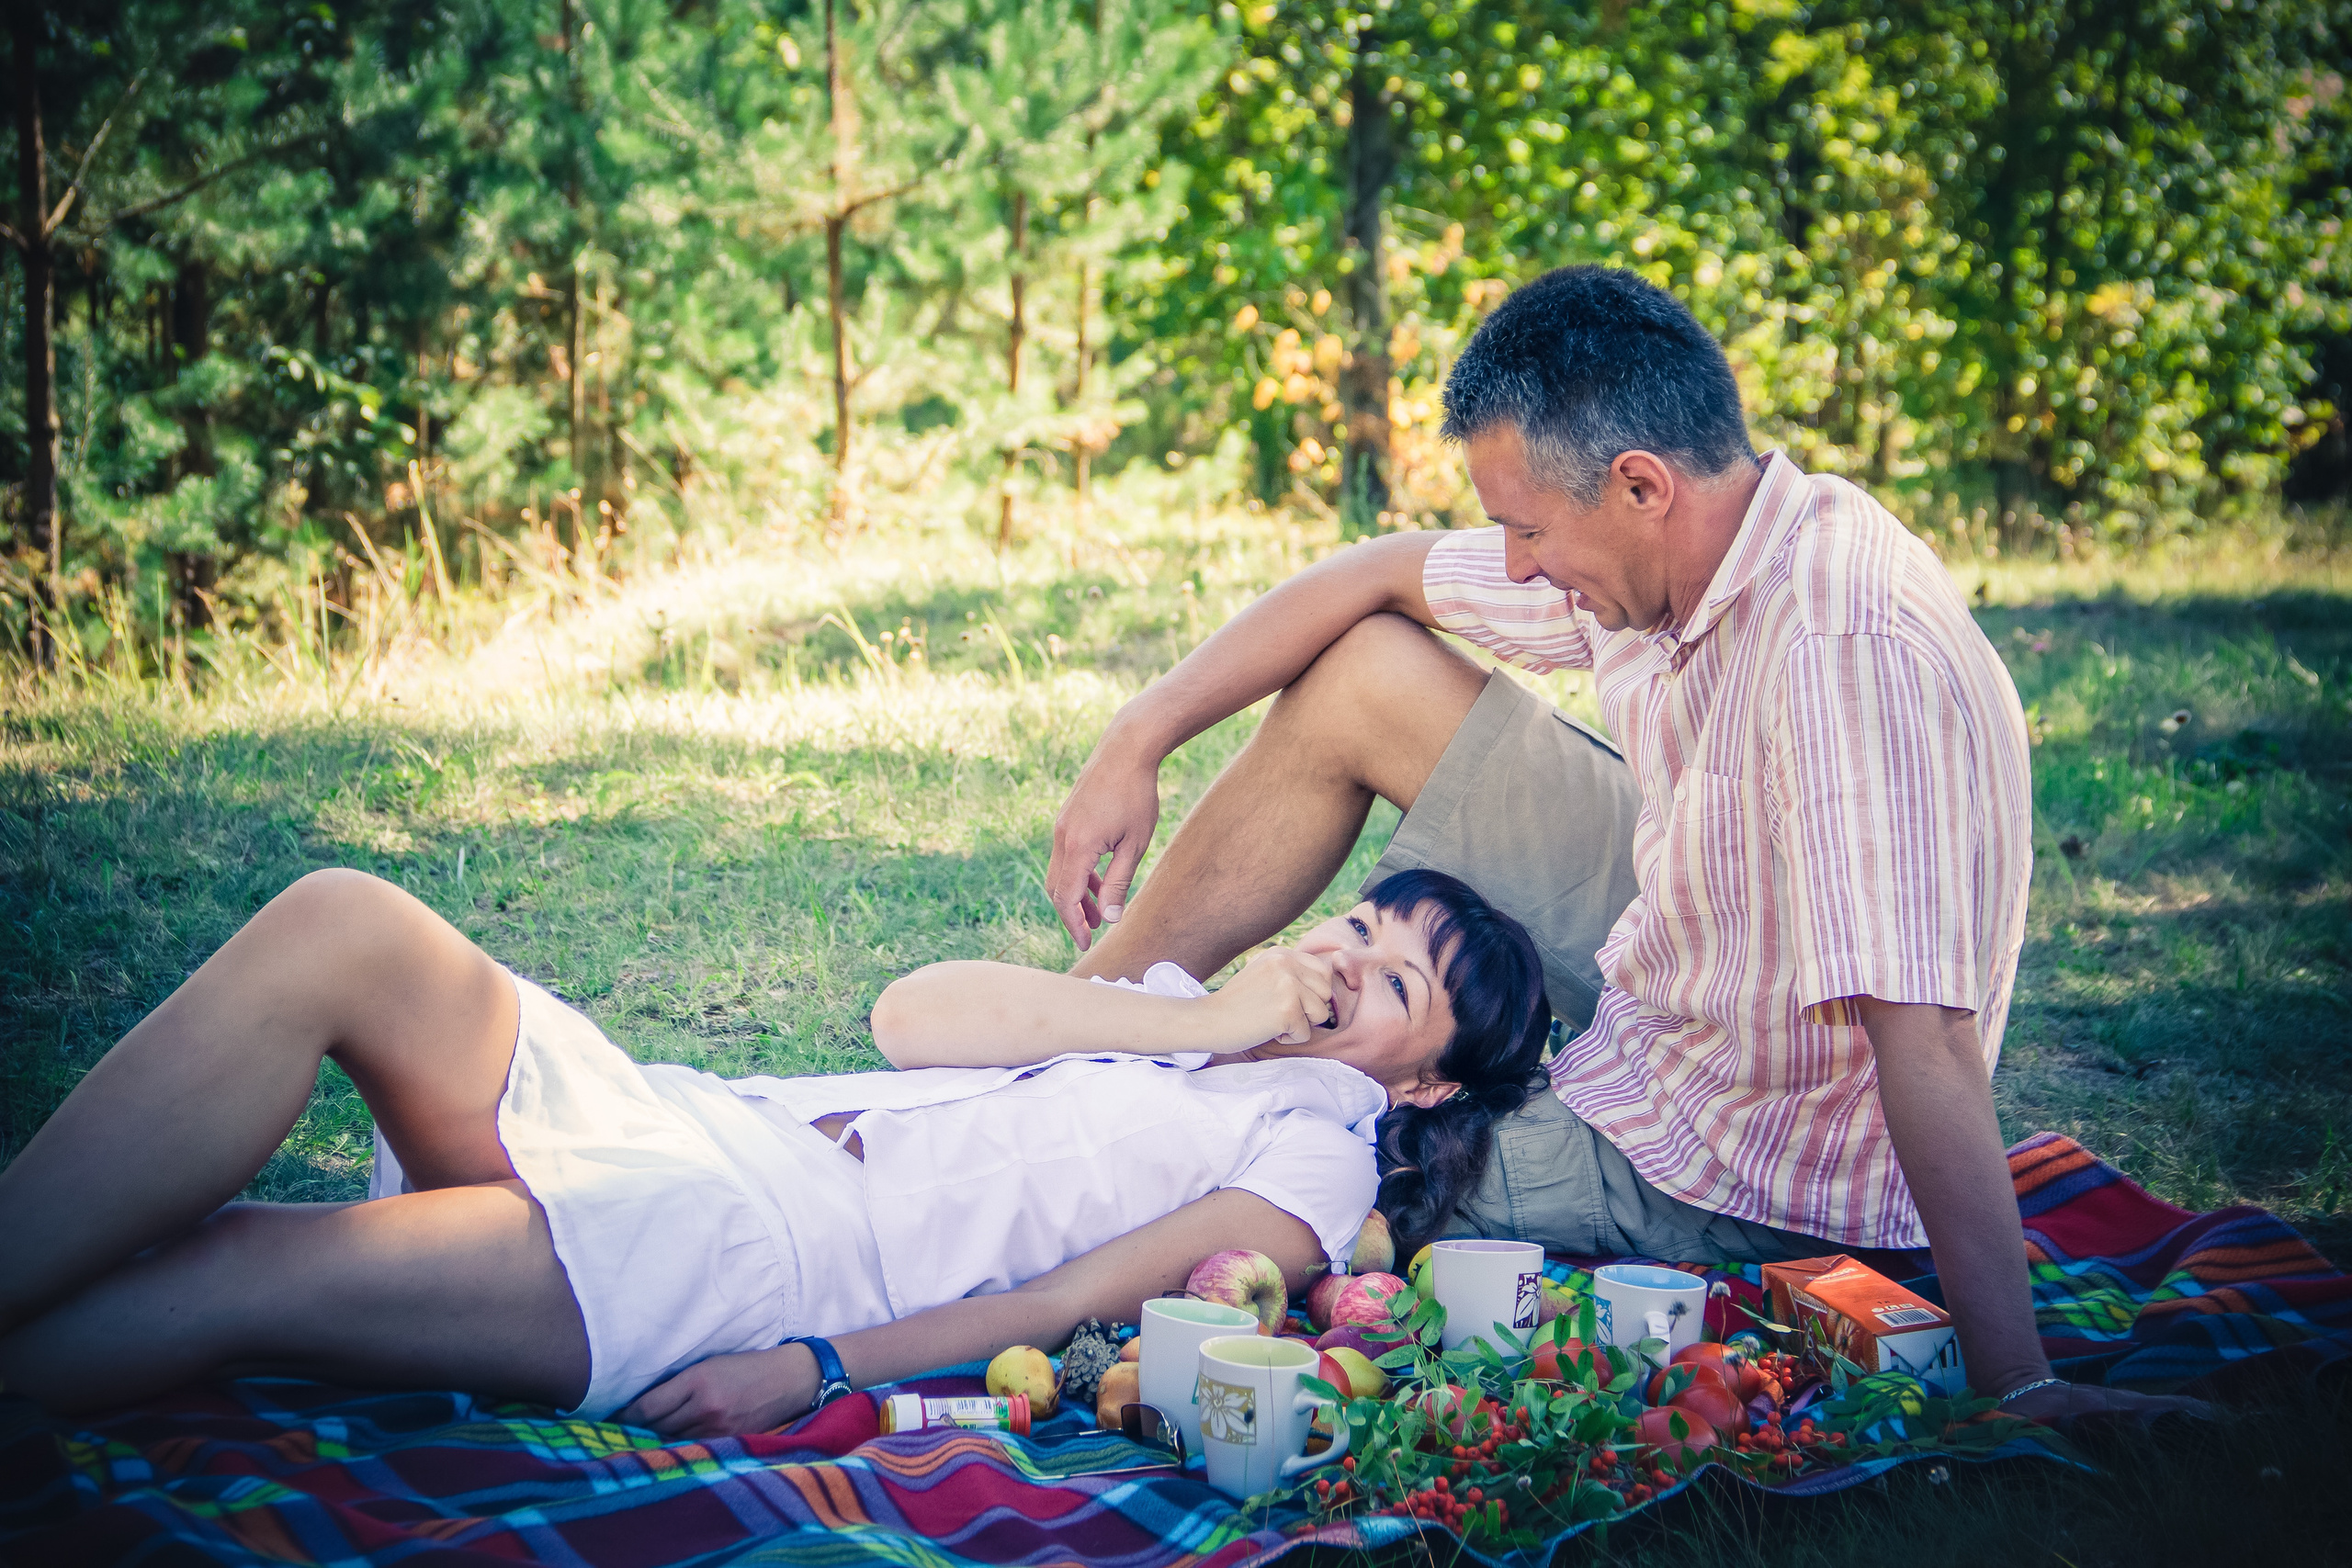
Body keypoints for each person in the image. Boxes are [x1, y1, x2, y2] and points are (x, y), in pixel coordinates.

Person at [1044, 265, 2197, 1425]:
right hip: (1684, 941)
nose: (1514, 568)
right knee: (1367, 670)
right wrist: (1136, 737)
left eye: (1528, 531)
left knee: (1307, 1147)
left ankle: (1084, 1135)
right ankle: (1068, 1033)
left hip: (1738, 1136)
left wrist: (2021, 1382)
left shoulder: (1845, 654)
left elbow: (1928, 1038)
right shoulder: (1682, 542)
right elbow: (1380, 573)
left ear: (1640, 485)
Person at [0, 865, 1548, 1437]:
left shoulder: (1316, 1163)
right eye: (1362, 925)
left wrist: (820, 1362)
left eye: (1398, 983)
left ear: (1420, 1087)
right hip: (700, 1119)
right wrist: (1204, 1017)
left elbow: (1064, 1303)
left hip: (741, 1254)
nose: (1350, 962)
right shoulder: (1176, 1017)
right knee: (344, 920)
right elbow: (908, 1016)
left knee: (240, 1260)